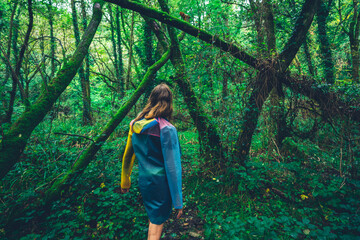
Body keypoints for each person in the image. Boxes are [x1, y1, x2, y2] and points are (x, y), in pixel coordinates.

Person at [121, 83, 183, 240]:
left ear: (151, 99)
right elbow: (173, 168)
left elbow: (128, 155)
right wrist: (178, 202)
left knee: (153, 219)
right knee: (156, 225)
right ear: (169, 103)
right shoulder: (167, 129)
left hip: (144, 181)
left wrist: (125, 181)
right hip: (161, 184)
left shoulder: (135, 125)